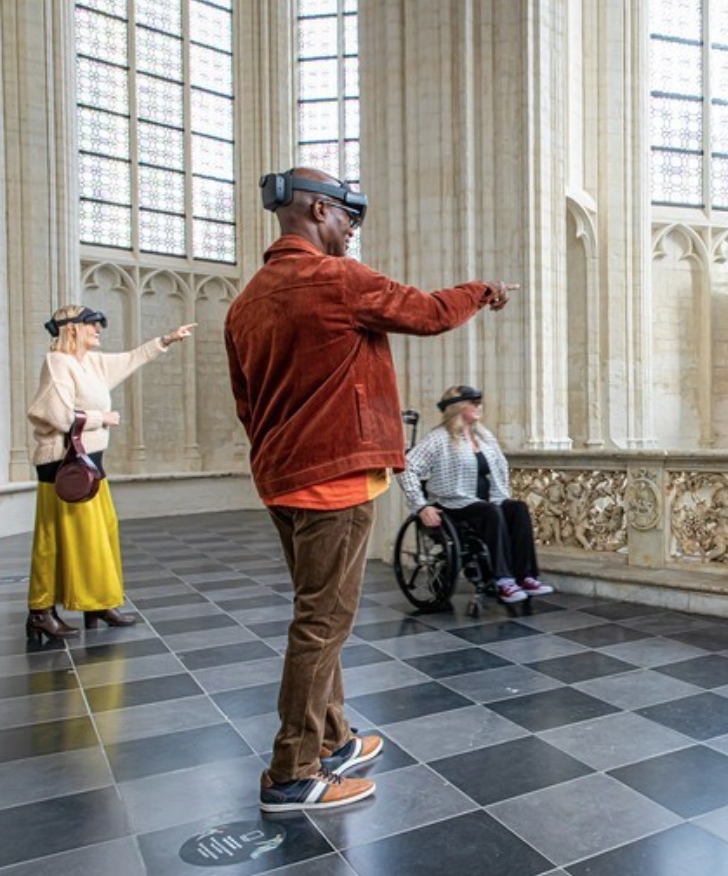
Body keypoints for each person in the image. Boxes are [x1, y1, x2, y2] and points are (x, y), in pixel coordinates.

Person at [225, 167, 513, 814]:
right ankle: (292, 772)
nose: (351, 233)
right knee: (321, 624)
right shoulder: (336, 280)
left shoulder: (244, 303)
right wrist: (484, 290)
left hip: (282, 477)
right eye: (347, 219)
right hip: (337, 479)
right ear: (318, 210)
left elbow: (248, 405)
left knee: (317, 615)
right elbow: (431, 313)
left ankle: (333, 740)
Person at [25, 305, 195, 641]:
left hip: (89, 461)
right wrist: (103, 418)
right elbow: (54, 413)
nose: (98, 330)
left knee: (101, 531)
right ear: (72, 328)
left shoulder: (92, 363)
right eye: (92, 326)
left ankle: (98, 603)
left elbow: (132, 359)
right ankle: (41, 612)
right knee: (55, 538)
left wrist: (166, 340)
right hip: (62, 462)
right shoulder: (58, 362)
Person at [396, 385, 553, 605]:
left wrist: (502, 495)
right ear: (458, 407)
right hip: (453, 504)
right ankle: (503, 580)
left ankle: (525, 576)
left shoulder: (484, 436)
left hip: (485, 501)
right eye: (474, 403)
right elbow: (406, 467)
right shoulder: (439, 438)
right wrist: (421, 506)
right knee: (490, 512)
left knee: (518, 509)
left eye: (480, 402)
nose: (480, 407)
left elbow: (500, 464)